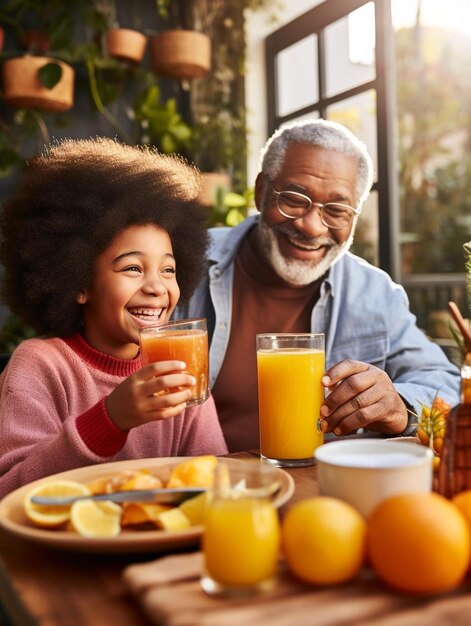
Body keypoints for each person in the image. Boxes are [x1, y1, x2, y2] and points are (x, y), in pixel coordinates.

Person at [177, 118, 460, 452]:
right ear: (261, 192)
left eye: (337, 209)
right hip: (198, 486)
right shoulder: (182, 263)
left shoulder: (375, 294)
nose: (312, 227)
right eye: (294, 199)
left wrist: (400, 405)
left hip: (320, 491)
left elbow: (446, 385)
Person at [0, 137, 227, 498]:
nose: (156, 286)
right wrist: (109, 419)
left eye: (168, 270)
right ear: (79, 283)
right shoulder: (41, 365)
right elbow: (9, 494)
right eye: (133, 268)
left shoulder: (181, 367)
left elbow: (215, 481)